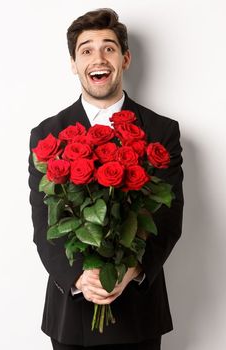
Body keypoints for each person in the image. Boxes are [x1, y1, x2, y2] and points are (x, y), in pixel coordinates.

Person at [28, 8, 183, 349]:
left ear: (125, 59)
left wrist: (132, 271)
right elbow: (45, 225)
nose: (98, 57)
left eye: (109, 48)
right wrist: (80, 279)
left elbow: (168, 219)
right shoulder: (47, 134)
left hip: (139, 314)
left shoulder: (161, 131)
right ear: (73, 63)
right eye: (86, 49)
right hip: (72, 315)